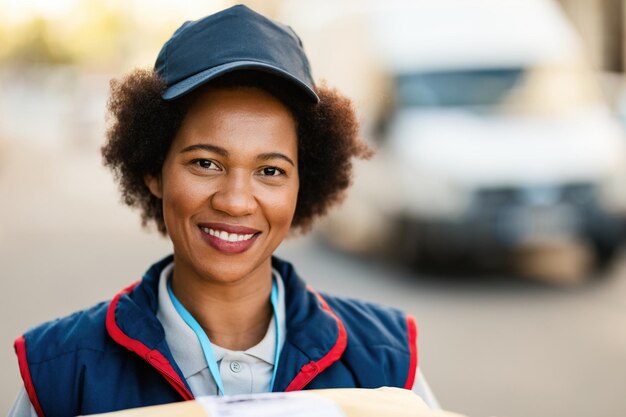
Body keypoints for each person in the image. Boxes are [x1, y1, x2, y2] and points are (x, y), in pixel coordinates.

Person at [9, 5, 439, 417]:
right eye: (205, 163)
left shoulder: (386, 362)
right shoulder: (62, 375)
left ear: (301, 184)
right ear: (153, 170)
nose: (235, 200)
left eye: (270, 170)